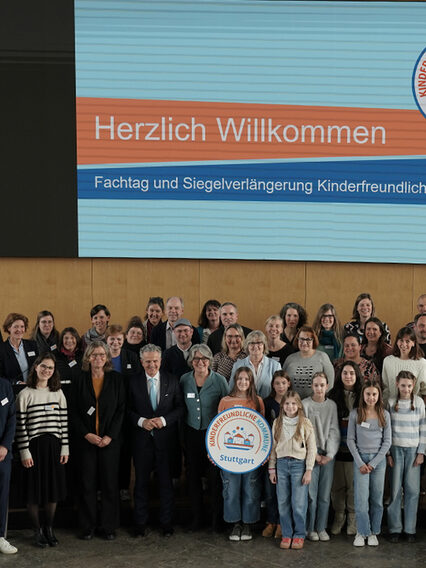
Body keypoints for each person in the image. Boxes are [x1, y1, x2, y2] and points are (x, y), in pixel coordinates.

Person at [70, 341, 125, 541]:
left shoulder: (117, 379)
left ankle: (108, 527)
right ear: (87, 358)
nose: (98, 358)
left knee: (110, 485)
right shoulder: (78, 378)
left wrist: (110, 435)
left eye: (102, 355)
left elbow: (121, 410)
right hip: (86, 441)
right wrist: (86, 434)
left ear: (107, 358)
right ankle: (87, 527)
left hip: (110, 442)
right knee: (87, 485)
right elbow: (73, 411)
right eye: (94, 355)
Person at [128, 344, 184, 537]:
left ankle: (166, 523)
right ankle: (140, 524)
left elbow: (180, 409)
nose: (152, 364)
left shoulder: (172, 380)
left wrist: (164, 420)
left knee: (166, 484)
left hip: (165, 442)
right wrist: (141, 421)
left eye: (155, 361)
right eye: (148, 361)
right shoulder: (132, 382)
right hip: (141, 441)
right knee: (141, 484)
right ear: (141, 362)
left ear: (161, 361)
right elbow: (126, 409)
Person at [15, 353, 69, 547]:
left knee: (52, 490)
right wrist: (24, 451)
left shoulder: (58, 393)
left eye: (51, 368)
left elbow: (64, 422)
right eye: (44, 366)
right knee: (33, 491)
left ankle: (49, 528)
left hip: (54, 447)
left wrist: (65, 448)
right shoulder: (25, 394)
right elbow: (20, 426)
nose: (47, 371)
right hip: (33, 448)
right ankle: (37, 530)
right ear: (36, 367)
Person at [180, 344, 228, 530]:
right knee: (193, 478)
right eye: (196, 359)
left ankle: (217, 519)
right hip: (191, 433)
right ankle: (196, 518)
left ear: (210, 361)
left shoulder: (220, 380)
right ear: (191, 361)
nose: (200, 362)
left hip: (213, 436)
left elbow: (226, 408)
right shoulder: (184, 380)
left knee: (215, 478)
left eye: (204, 359)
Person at [218, 367, 265, 542]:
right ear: (234, 380)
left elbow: (263, 431)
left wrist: (263, 454)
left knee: (250, 489)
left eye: (246, 379)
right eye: (240, 379)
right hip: (229, 457)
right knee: (230, 489)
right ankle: (234, 523)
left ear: (251, 382)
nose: (243, 382)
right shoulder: (225, 401)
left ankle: (248, 523)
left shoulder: (257, 401)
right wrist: (214, 453)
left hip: (251, 456)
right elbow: (218, 430)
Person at [268, 390, 316, 550]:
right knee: (283, 501)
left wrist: (309, 470)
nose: (290, 406)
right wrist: (272, 469)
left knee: (298, 503)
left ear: (299, 405)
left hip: (298, 465)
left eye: (294, 403)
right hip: (281, 464)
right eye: (287, 403)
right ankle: (287, 533)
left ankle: (299, 534)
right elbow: (273, 448)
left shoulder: (305, 423)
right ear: (282, 405)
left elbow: (312, 449)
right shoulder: (277, 422)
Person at [347, 381, 391, 547]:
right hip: (360, 461)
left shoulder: (384, 414)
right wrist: (360, 462)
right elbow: (351, 440)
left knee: (377, 498)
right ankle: (362, 531)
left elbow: (387, 442)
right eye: (368, 394)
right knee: (361, 498)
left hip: (378, 462)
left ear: (379, 395)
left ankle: (374, 532)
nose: (371, 397)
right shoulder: (355, 414)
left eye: (374, 394)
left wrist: (373, 463)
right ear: (363, 395)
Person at [387, 371, 426, 543]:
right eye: (403, 385)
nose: (406, 389)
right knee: (395, 490)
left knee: (412, 491)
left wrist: (421, 452)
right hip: (395, 450)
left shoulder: (418, 402)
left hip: (413, 451)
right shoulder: (389, 402)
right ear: (397, 384)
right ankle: (395, 528)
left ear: (414, 385)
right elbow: (386, 430)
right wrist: (388, 453)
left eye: (409, 385)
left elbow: (423, 427)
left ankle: (410, 529)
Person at [303, 372, 340, 542]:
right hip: (311, 454)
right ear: (312, 386)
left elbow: (334, 430)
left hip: (327, 456)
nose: (319, 388)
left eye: (322, 385)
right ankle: (309, 528)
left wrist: (330, 455)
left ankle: (321, 527)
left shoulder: (332, 405)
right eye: (316, 385)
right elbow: (302, 432)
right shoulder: (305, 405)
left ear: (327, 386)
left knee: (325, 495)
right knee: (311, 495)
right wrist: (313, 454)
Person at [328, 361, 362, 536]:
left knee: (353, 486)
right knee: (337, 486)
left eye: (351, 373)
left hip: (355, 451)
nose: (348, 376)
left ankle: (352, 517)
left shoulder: (363, 396)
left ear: (356, 376)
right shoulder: (332, 396)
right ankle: (339, 516)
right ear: (340, 376)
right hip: (336, 449)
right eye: (345, 373)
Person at [262, 370, 292, 539]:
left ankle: (282, 522)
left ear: (289, 384)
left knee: (285, 491)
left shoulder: (293, 403)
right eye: (277, 383)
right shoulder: (266, 403)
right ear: (273, 385)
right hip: (270, 452)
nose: (281, 386)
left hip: (288, 452)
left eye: (284, 383)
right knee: (270, 490)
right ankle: (271, 521)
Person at [283, 326, 334, 399]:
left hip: (316, 403)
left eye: (308, 340)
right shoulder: (290, 358)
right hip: (293, 404)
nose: (304, 342)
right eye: (301, 339)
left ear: (313, 341)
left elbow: (330, 384)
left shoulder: (322, 357)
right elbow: (283, 381)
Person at [229, 331, 281, 399]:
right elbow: (231, 390)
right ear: (247, 346)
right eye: (252, 343)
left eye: (259, 343)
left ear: (264, 345)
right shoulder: (238, 365)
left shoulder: (275, 365)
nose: (255, 346)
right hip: (245, 406)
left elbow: (280, 391)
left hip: (269, 407)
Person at [382, 326, 426, 404]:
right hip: (391, 408)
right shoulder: (388, 361)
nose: (404, 344)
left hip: (414, 409)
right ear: (397, 342)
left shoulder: (421, 363)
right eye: (401, 340)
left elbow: (424, 390)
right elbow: (385, 388)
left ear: (413, 343)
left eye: (407, 341)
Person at [0, 377, 17, 554]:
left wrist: (5, 445)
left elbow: (12, 418)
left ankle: (0, 537)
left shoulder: (4, 386)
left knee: (2, 495)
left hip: (2, 453)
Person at [0, 313, 38, 384]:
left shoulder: (32, 345)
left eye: (22, 326)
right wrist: (17, 383)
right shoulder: (2, 349)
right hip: (13, 390)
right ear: (9, 328)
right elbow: (1, 376)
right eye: (16, 327)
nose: (19, 330)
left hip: (32, 389)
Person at [55, 327, 84, 399]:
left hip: (80, 394)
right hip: (60, 394)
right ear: (62, 340)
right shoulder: (55, 356)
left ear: (77, 339)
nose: (69, 341)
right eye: (66, 338)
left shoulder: (83, 356)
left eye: (72, 337)